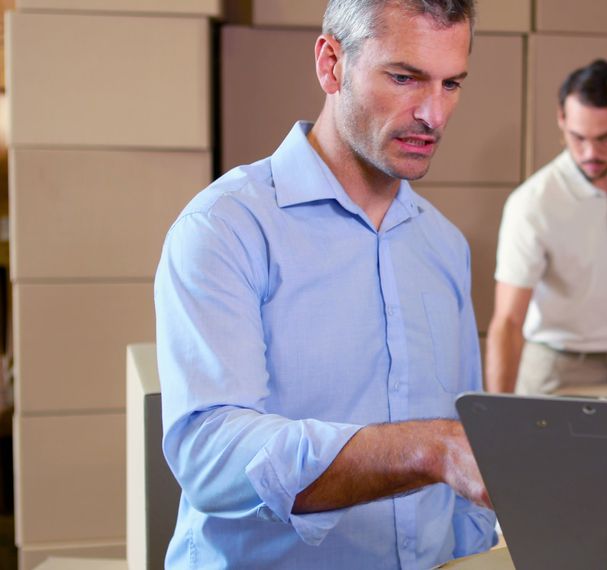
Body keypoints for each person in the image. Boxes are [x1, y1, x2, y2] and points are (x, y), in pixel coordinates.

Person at [153, 1, 498, 567]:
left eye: (451, 83)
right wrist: (426, 451)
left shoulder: (444, 246)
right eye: (405, 78)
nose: (434, 114)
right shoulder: (226, 227)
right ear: (331, 63)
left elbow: (464, 458)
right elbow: (209, 454)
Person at [485, 59, 607, 397]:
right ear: (561, 120)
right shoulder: (532, 203)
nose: (590, 153)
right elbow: (507, 322)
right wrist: (495, 422)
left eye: (605, 138)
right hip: (555, 368)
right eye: (578, 138)